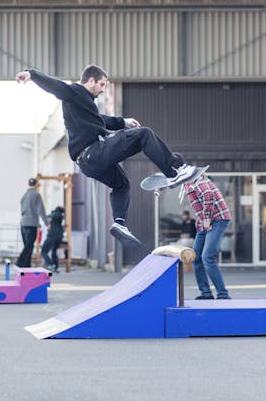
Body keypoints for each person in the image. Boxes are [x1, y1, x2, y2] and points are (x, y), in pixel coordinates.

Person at [15, 66, 199, 249]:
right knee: (144, 134)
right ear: (91, 81)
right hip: (94, 151)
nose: (103, 89)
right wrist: (32, 74)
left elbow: (101, 120)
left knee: (121, 184)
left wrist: (123, 122)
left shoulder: (84, 105)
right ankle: (173, 171)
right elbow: (55, 86)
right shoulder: (74, 92)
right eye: (101, 85)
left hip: (88, 163)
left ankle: (119, 223)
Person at [181, 170, 232, 300]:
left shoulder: (200, 183)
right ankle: (206, 293)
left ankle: (223, 294)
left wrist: (207, 219)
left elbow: (209, 196)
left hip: (218, 219)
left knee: (207, 257)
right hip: (204, 223)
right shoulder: (187, 184)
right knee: (196, 257)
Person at [16, 178, 47, 268]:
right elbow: (41, 209)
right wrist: (46, 222)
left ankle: (27, 265)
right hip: (32, 223)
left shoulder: (24, 195)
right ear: (36, 185)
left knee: (27, 245)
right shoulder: (36, 195)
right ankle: (20, 261)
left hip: (23, 223)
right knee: (29, 246)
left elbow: (22, 209)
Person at [41, 206, 66, 273]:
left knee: (43, 251)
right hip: (59, 237)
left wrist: (47, 221)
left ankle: (50, 264)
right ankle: (55, 266)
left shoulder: (54, 214)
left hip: (52, 236)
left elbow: (49, 218)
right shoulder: (61, 216)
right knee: (54, 250)